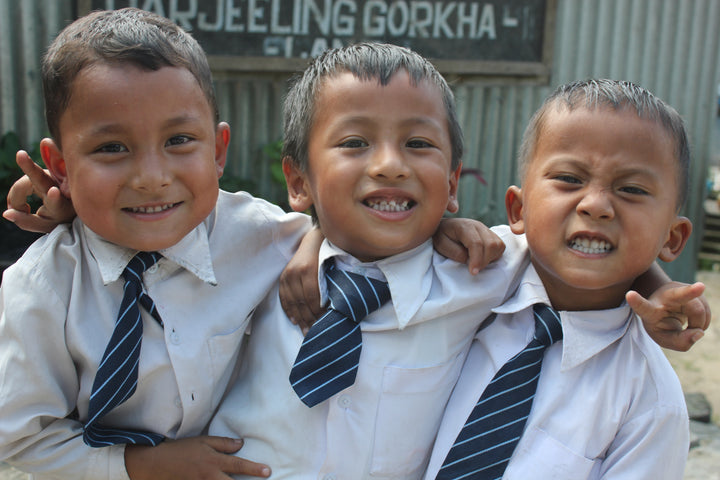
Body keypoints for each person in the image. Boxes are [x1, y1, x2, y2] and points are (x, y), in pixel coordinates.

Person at [207, 46, 706, 479]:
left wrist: (655, 282)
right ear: (516, 211)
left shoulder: (483, 278)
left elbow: (584, 246)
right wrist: (316, 235)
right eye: (355, 142)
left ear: (452, 185)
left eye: (631, 190)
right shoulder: (267, 252)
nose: (389, 164)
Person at [0, 8, 309, 480]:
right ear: (60, 167)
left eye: (179, 140)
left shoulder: (265, 237)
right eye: (111, 148)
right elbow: (21, 436)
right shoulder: (43, 287)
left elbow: (359, 241)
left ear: (218, 151)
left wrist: (449, 231)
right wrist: (142, 466)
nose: (150, 178)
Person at [424, 79, 695, 480]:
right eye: (569, 179)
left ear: (671, 239)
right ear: (517, 209)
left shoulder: (650, 401)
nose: (596, 205)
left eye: (632, 189)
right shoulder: (473, 272)